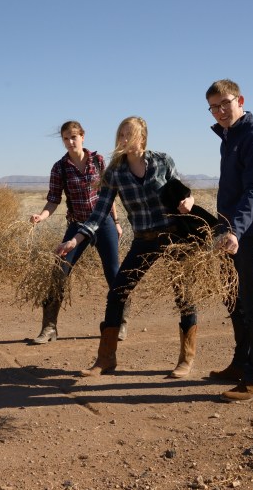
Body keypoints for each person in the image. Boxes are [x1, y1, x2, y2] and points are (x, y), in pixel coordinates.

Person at [56, 116, 199, 378]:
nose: (122, 139)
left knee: (184, 293)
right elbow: (99, 213)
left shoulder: (162, 161)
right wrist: (75, 239)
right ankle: (105, 359)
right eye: (120, 134)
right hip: (144, 239)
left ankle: (186, 359)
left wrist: (188, 200)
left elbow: (183, 190)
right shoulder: (115, 172)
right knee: (117, 292)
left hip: (174, 235)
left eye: (128, 134)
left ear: (142, 138)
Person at [205, 79, 253, 403]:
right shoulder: (230, 137)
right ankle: (240, 364)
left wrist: (235, 229)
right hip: (232, 233)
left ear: (240, 100)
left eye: (225, 103)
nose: (220, 111)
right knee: (235, 302)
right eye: (214, 106)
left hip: (252, 234)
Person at [28, 121, 125, 345]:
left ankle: (120, 322)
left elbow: (108, 195)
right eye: (65, 139)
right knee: (58, 274)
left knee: (114, 274)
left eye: (73, 137)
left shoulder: (99, 161)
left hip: (103, 223)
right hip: (77, 225)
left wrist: (117, 222)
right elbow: (53, 200)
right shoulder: (59, 167)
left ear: (82, 136)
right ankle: (49, 328)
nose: (70, 142)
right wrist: (41, 216)